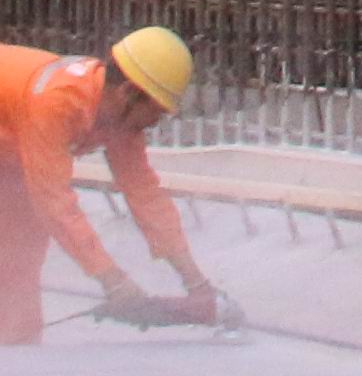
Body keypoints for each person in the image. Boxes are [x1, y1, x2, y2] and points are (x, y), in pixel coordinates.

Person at [0, 28, 215, 344]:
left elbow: (144, 193)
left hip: (9, 156)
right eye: (157, 110)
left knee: (21, 256)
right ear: (128, 92)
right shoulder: (56, 103)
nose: (157, 121)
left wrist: (195, 281)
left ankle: (17, 351)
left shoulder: (120, 118)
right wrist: (113, 280)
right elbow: (55, 205)